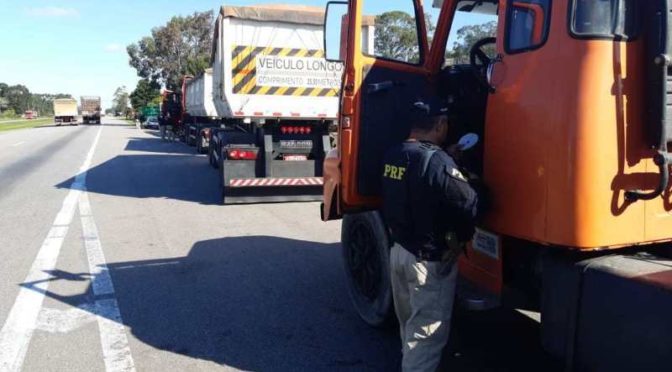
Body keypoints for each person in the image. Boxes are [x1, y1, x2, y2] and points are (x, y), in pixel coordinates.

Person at [381, 100, 481, 372]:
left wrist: (445, 159)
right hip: (428, 262)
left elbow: (415, 180)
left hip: (399, 254)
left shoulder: (394, 153)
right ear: (440, 125)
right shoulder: (437, 161)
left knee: (409, 328)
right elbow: (468, 204)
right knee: (425, 337)